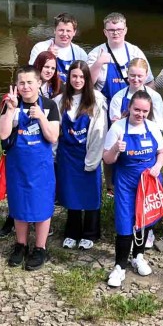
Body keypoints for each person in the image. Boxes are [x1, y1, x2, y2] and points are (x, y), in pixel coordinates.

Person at [0, 65, 61, 270]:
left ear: (39, 83)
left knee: (42, 206)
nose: (25, 87)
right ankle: (21, 244)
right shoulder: (11, 105)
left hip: (41, 167)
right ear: (16, 85)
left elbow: (52, 137)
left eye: (29, 82)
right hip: (17, 165)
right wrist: (10, 109)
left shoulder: (50, 105)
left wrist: (41, 117)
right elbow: (3, 135)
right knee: (19, 204)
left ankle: (40, 248)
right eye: (21, 83)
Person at [102, 90, 163, 288]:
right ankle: (119, 266)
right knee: (124, 223)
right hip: (126, 182)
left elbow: (162, 153)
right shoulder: (118, 128)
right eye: (137, 109)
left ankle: (138, 256)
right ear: (129, 108)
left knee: (144, 222)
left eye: (144, 111)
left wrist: (157, 167)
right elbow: (107, 159)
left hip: (149, 182)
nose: (140, 114)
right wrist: (116, 149)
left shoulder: (153, 127)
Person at [53, 61, 107, 250]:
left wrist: (92, 160)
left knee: (91, 193)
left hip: (88, 152)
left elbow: (99, 132)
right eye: (74, 76)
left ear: (88, 79)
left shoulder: (97, 100)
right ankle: (72, 231)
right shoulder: (59, 101)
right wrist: (54, 155)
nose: (78, 80)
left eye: (82, 77)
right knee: (71, 193)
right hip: (67, 155)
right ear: (68, 77)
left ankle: (91, 232)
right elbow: (55, 131)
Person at [88, 12, 153, 103]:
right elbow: (87, 84)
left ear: (125, 30)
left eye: (119, 29)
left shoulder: (135, 52)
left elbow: (149, 82)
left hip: (132, 107)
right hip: (104, 107)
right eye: (111, 30)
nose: (115, 33)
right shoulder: (95, 54)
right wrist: (98, 63)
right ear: (105, 32)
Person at [28, 12, 89, 85]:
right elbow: (31, 75)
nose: (64, 34)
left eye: (68, 31)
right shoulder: (40, 47)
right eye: (61, 30)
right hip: (46, 92)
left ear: (74, 32)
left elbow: (85, 79)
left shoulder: (80, 53)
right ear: (54, 30)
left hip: (69, 94)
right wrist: (46, 57)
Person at [109, 58, 163, 128]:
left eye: (140, 76)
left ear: (146, 75)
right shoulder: (118, 97)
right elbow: (115, 127)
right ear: (127, 74)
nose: (136, 79)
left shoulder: (155, 97)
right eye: (132, 75)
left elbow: (159, 126)